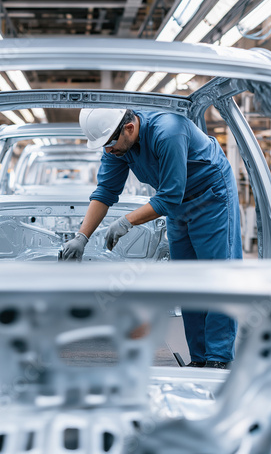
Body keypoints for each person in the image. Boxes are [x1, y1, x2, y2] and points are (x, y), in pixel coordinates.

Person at [61, 108, 242, 369]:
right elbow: (105, 191)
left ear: (130, 128)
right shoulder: (118, 146)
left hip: (210, 197)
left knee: (216, 275)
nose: (109, 151)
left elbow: (169, 196)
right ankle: (200, 358)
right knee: (188, 280)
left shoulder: (169, 132)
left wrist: (127, 221)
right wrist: (81, 236)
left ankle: (219, 359)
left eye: (110, 144)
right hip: (177, 205)